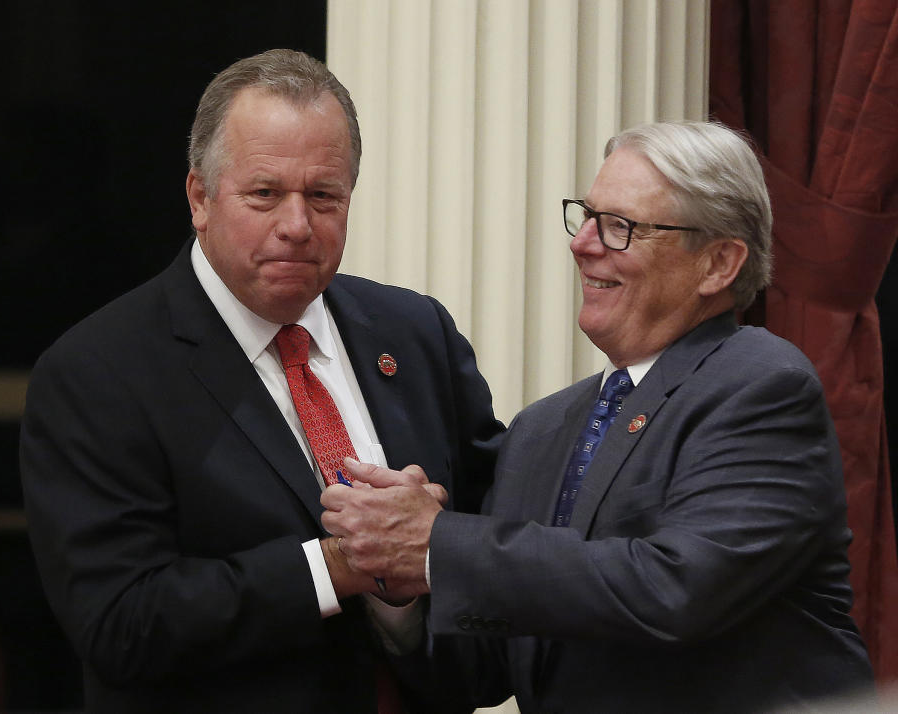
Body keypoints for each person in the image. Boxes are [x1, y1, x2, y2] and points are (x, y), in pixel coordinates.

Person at [322, 120, 875, 713]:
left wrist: (437, 546)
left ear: (718, 263)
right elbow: (481, 673)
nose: (582, 243)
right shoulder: (540, 430)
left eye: (620, 228)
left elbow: (675, 589)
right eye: (587, 217)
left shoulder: (759, 383)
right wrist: (394, 579)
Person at [19, 49, 503, 713]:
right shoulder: (99, 373)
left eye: (324, 196)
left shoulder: (416, 335)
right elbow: (121, 624)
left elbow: (497, 545)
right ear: (200, 197)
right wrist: (338, 567)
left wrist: (418, 569)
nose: (298, 226)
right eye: (265, 194)